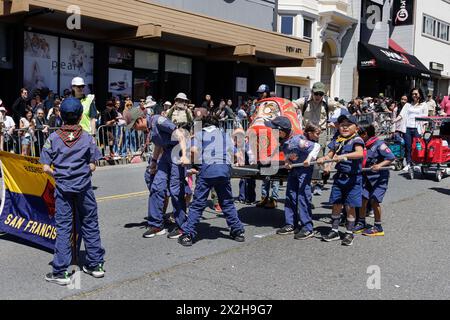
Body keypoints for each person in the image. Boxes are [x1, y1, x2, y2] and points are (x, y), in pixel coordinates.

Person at [40, 97, 105, 286]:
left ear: (60, 115)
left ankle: (61, 271)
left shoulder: (53, 138)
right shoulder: (87, 137)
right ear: (80, 117)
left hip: (63, 189)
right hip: (84, 188)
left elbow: (45, 167)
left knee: (63, 229)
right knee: (90, 224)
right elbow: (93, 165)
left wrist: (58, 174)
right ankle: (95, 265)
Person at [177, 115, 245, 246]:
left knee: (198, 204)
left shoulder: (200, 134)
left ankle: (188, 235)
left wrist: (194, 164)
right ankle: (237, 232)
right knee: (227, 202)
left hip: (207, 170)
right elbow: (237, 154)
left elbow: (193, 150)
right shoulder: (224, 134)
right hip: (224, 170)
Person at [124, 107, 190, 239]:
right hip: (166, 154)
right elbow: (159, 144)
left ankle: (183, 226)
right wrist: (154, 161)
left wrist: (185, 156)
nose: (134, 129)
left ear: (140, 120)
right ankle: (156, 225)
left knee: (175, 189)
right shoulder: (149, 128)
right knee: (157, 187)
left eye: (134, 126)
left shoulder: (158, 121)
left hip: (177, 152)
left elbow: (180, 134)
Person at [317, 114, 365, 246]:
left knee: (350, 206)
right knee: (336, 204)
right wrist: (324, 160)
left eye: (348, 125)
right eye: (342, 125)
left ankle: (349, 233)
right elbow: (330, 155)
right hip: (339, 177)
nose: (344, 127)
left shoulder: (357, 140)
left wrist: (344, 156)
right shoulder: (337, 140)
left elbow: (359, 153)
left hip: (353, 178)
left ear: (356, 128)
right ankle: (334, 230)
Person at [276, 121, 321, 240]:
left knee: (303, 197)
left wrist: (309, 158)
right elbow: (288, 154)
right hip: (294, 170)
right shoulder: (283, 141)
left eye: (276, 130)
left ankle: (307, 228)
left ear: (282, 131)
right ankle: (291, 224)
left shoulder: (297, 140)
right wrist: (287, 162)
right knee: (290, 196)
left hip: (304, 171)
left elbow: (316, 146)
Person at [293, 82, 335, 196]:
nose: (318, 96)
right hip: (306, 132)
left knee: (319, 155)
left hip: (321, 132)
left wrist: (335, 121)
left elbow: (341, 108)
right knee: (304, 154)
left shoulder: (328, 102)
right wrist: (294, 112)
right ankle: (305, 179)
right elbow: (291, 105)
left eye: (321, 94)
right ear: (312, 92)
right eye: (316, 93)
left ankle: (317, 182)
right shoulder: (304, 101)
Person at [353, 123, 395, 237]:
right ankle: (361, 222)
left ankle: (378, 226)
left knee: (374, 200)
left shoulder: (379, 144)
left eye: (359, 133)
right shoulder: (361, 145)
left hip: (379, 178)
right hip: (366, 177)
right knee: (362, 198)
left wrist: (380, 165)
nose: (357, 135)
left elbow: (390, 157)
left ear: (365, 134)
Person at [253, 84, 280, 209]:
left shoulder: (273, 103)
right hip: (261, 135)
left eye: (262, 93)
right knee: (264, 168)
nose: (260, 95)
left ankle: (274, 198)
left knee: (274, 169)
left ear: (267, 92)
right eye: (259, 93)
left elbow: (277, 119)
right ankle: (264, 197)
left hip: (273, 134)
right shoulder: (258, 104)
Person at [392, 88, 428, 172]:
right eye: (412, 94)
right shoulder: (408, 104)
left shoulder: (424, 105)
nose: (414, 96)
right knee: (408, 147)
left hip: (417, 129)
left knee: (417, 147)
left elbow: (425, 118)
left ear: (420, 94)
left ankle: (418, 163)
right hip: (407, 128)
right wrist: (394, 120)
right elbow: (401, 115)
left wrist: (424, 129)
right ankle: (408, 163)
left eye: (416, 94)